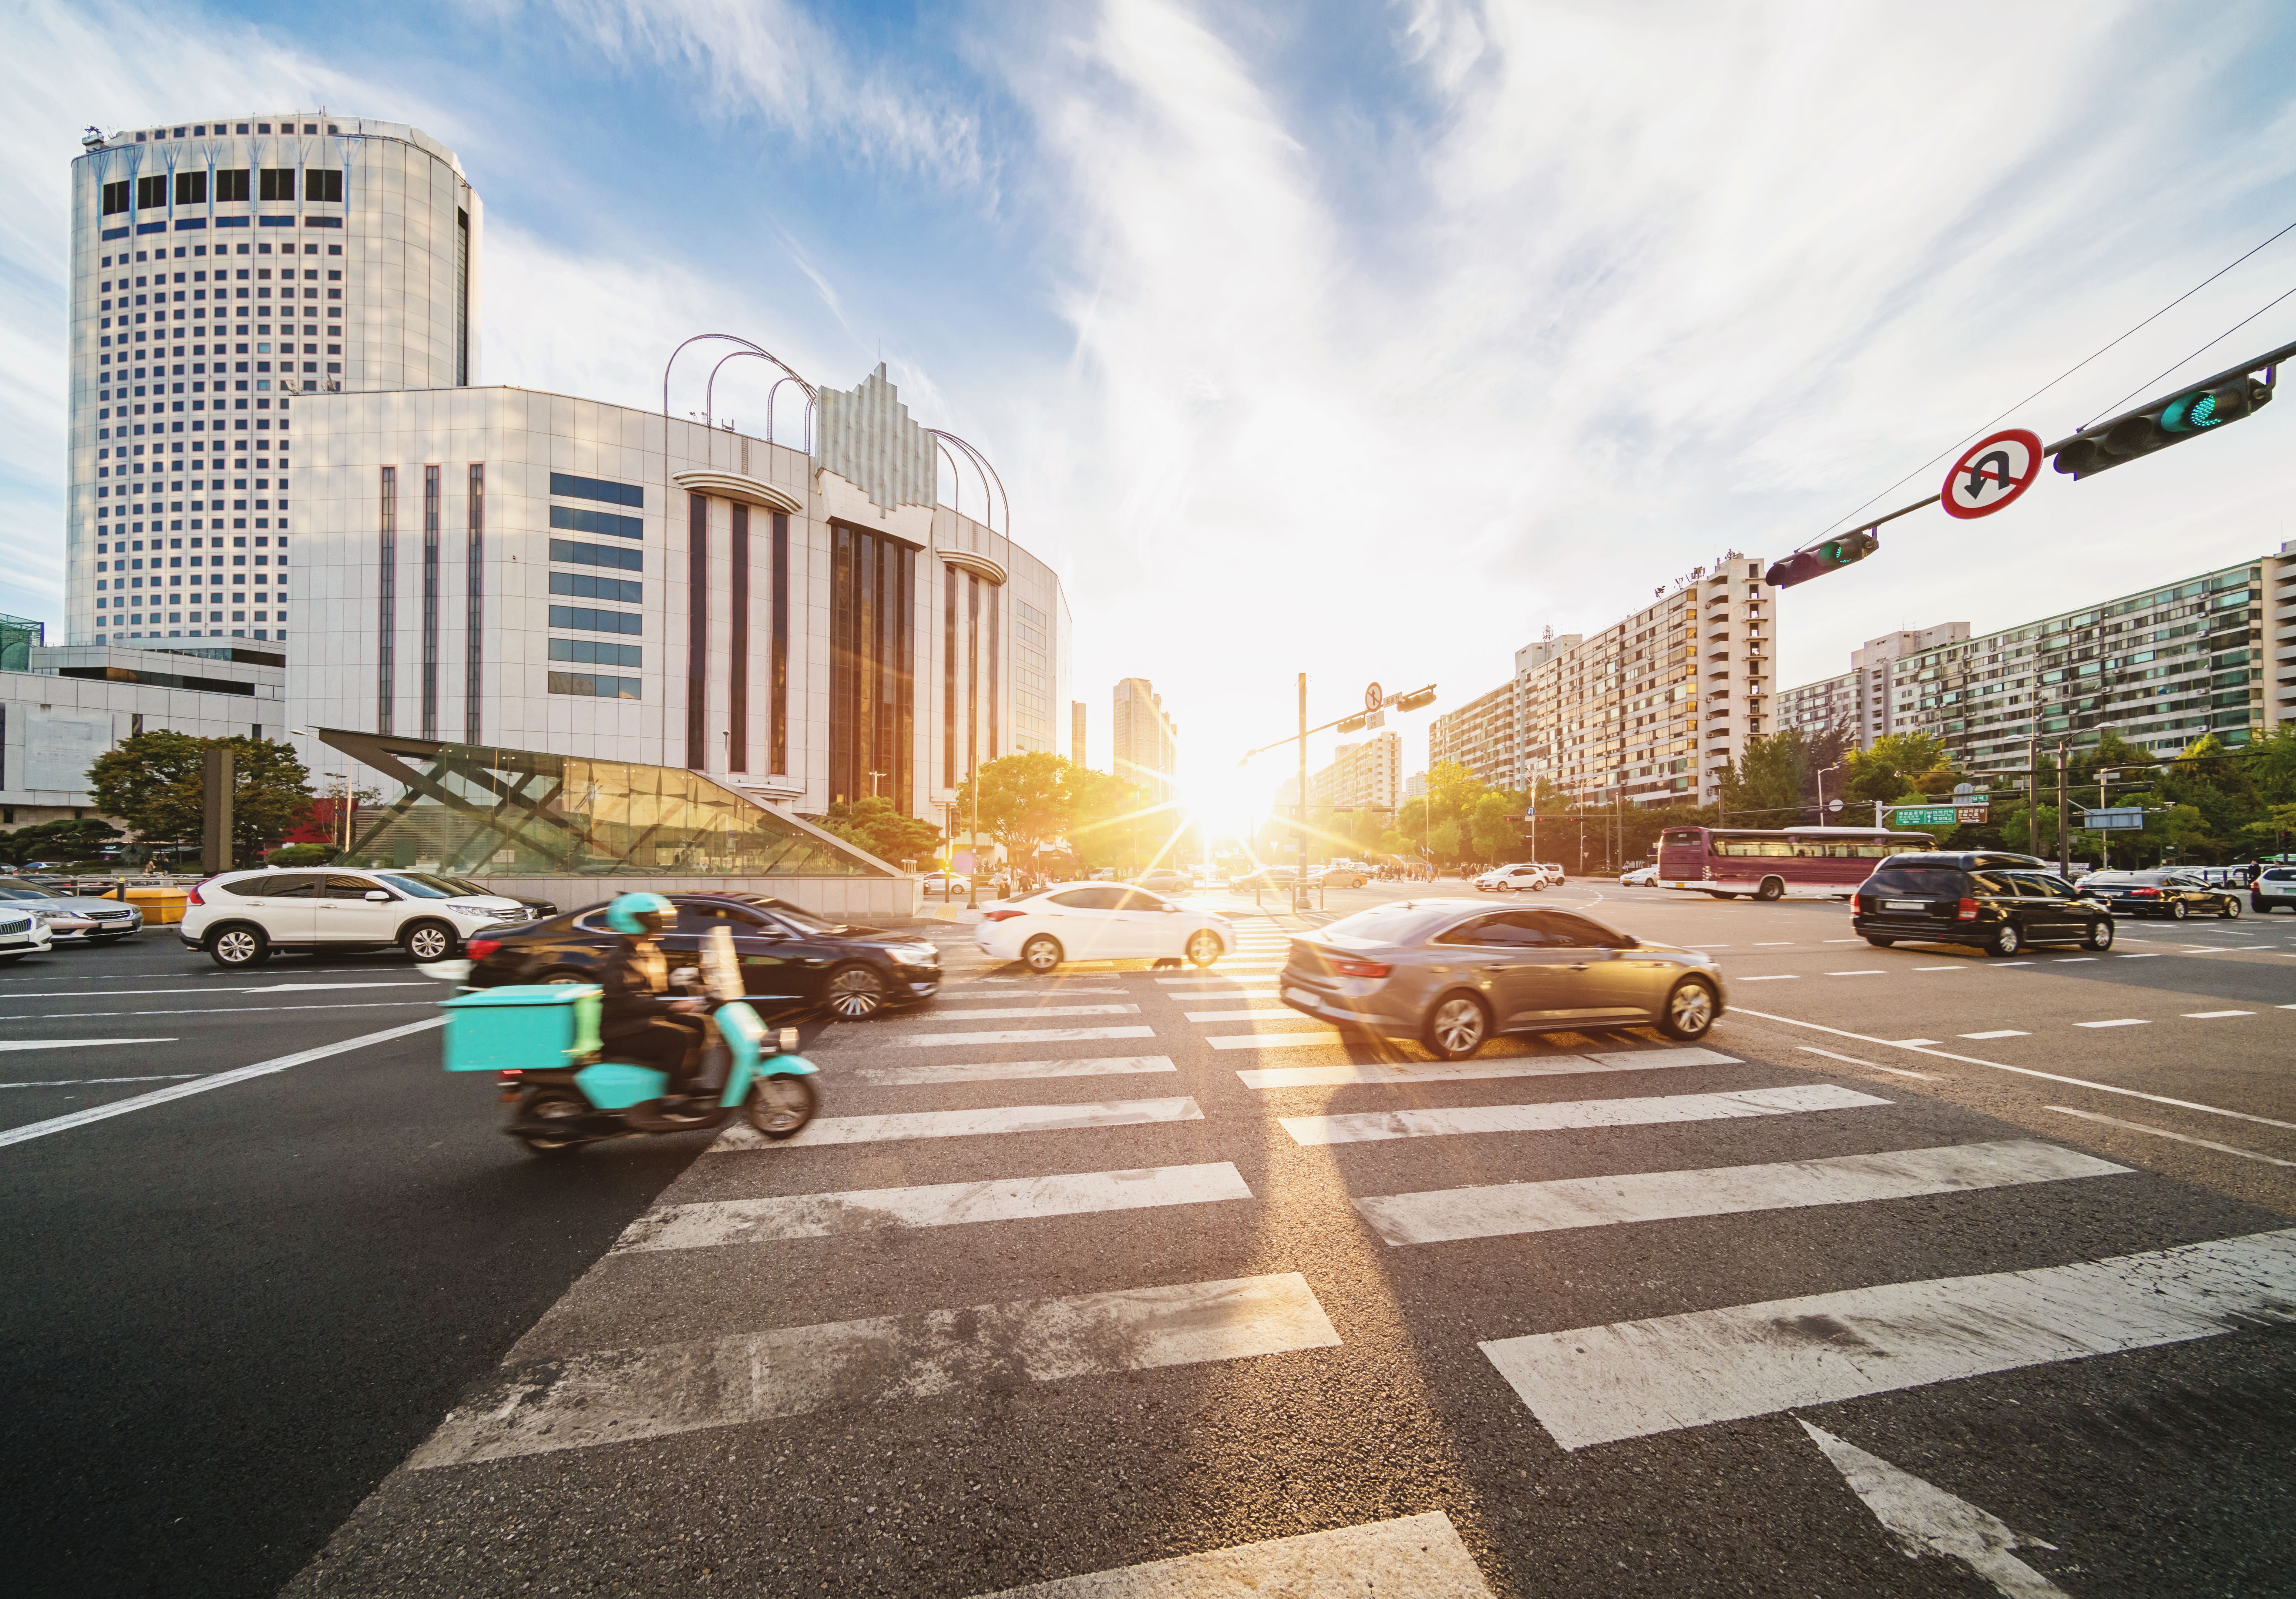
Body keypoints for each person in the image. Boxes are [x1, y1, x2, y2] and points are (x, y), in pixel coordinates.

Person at [597, 892, 710, 1099]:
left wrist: (696, 989)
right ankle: (672, 1093)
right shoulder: (620, 959)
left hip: (640, 1020)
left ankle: (689, 1077)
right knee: (677, 1039)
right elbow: (628, 1001)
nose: (657, 924)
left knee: (702, 1024)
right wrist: (671, 1007)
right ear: (634, 921)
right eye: (651, 919)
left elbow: (660, 986)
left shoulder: (645, 949)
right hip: (622, 1030)